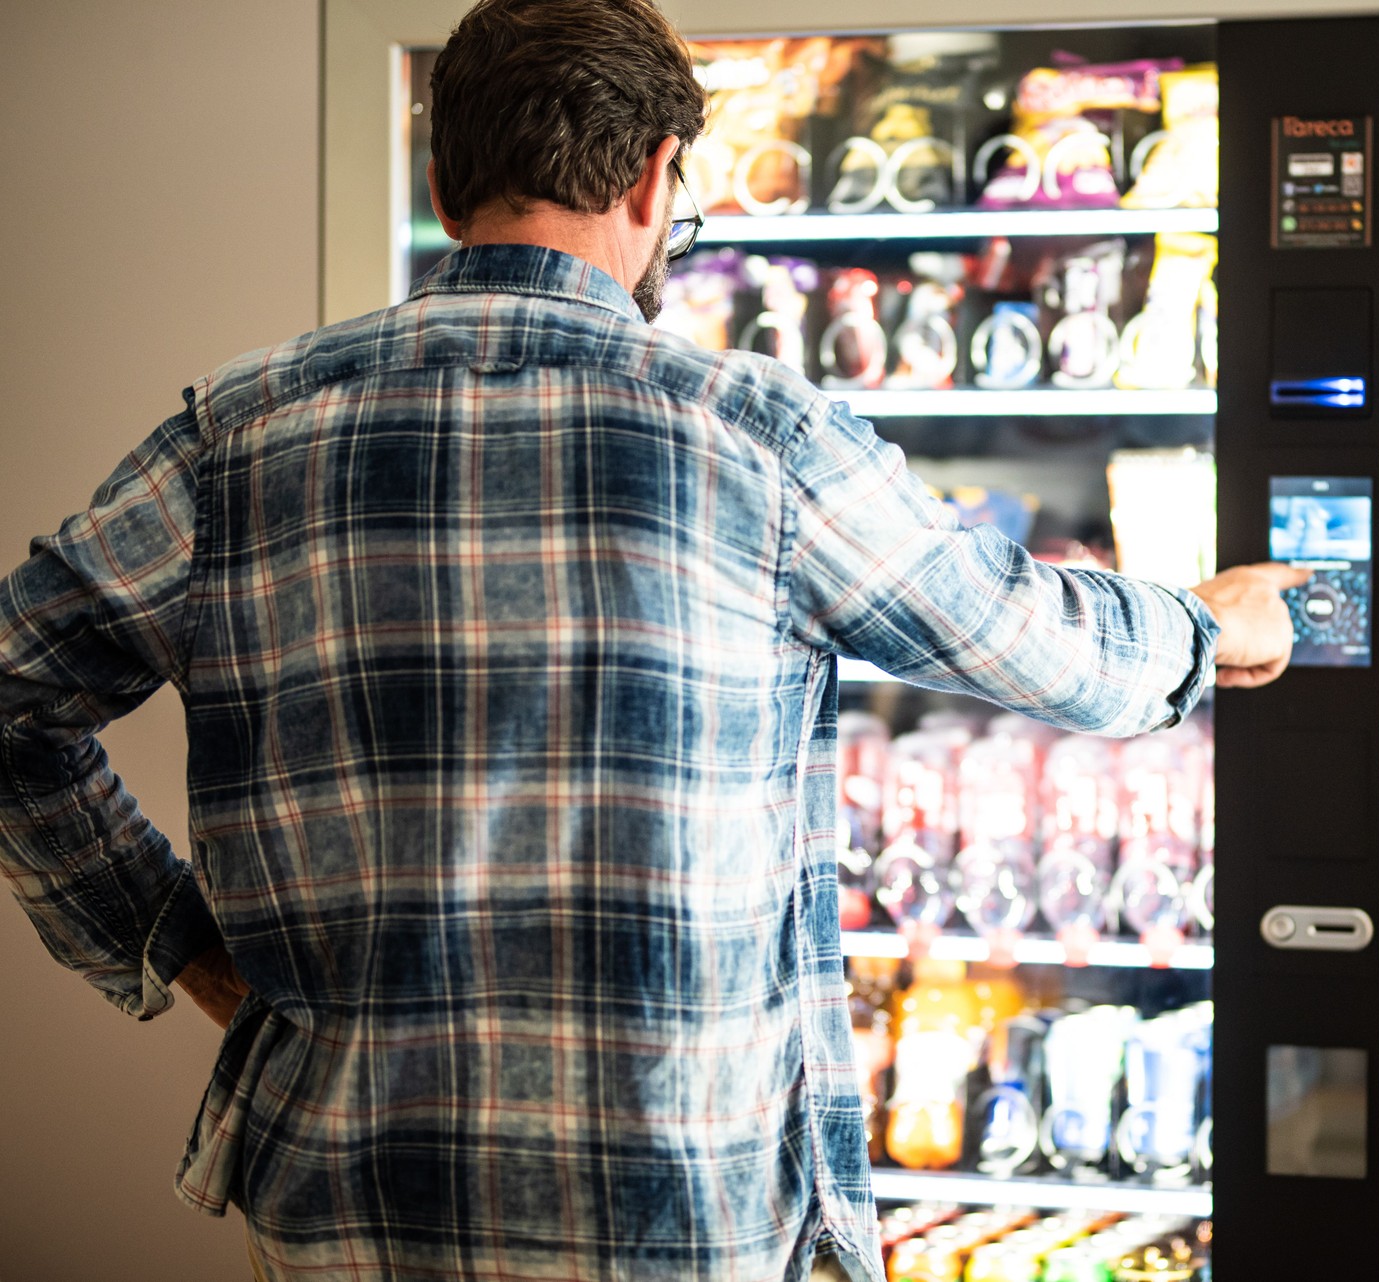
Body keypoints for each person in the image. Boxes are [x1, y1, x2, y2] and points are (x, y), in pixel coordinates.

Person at [0, 1, 1302, 1279]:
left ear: (446, 185)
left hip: (344, 1195)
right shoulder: (752, 434)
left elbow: (14, 695)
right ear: (654, 176)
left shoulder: (240, 435)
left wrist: (177, 943)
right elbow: (1033, 642)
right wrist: (1209, 622)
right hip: (677, 1199)